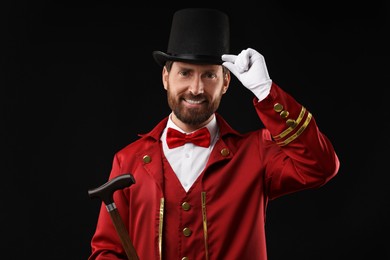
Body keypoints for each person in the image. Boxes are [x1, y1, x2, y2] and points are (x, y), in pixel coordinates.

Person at [88, 8, 340, 260]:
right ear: (166, 77)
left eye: (209, 75)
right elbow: (107, 251)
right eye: (185, 73)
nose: (196, 89)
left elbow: (321, 167)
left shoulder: (257, 153)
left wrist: (266, 91)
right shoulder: (127, 160)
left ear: (226, 82)